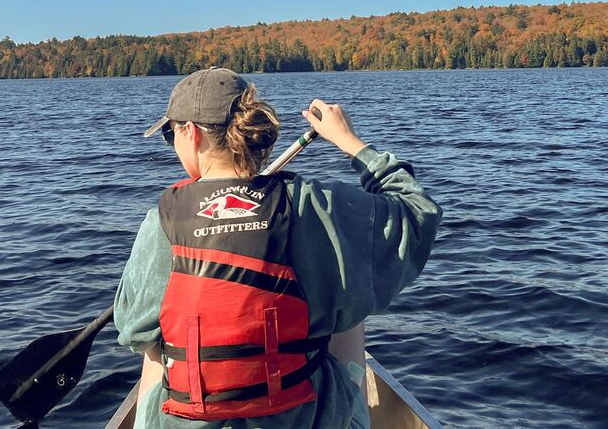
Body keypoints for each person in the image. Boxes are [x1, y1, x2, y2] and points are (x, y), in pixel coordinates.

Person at [114, 68, 441, 429]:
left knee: (153, 345)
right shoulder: (315, 206)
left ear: (191, 133)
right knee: (347, 298)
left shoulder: (161, 221)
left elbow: (133, 329)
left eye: (170, 134)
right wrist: (349, 141)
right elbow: (418, 211)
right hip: (309, 420)